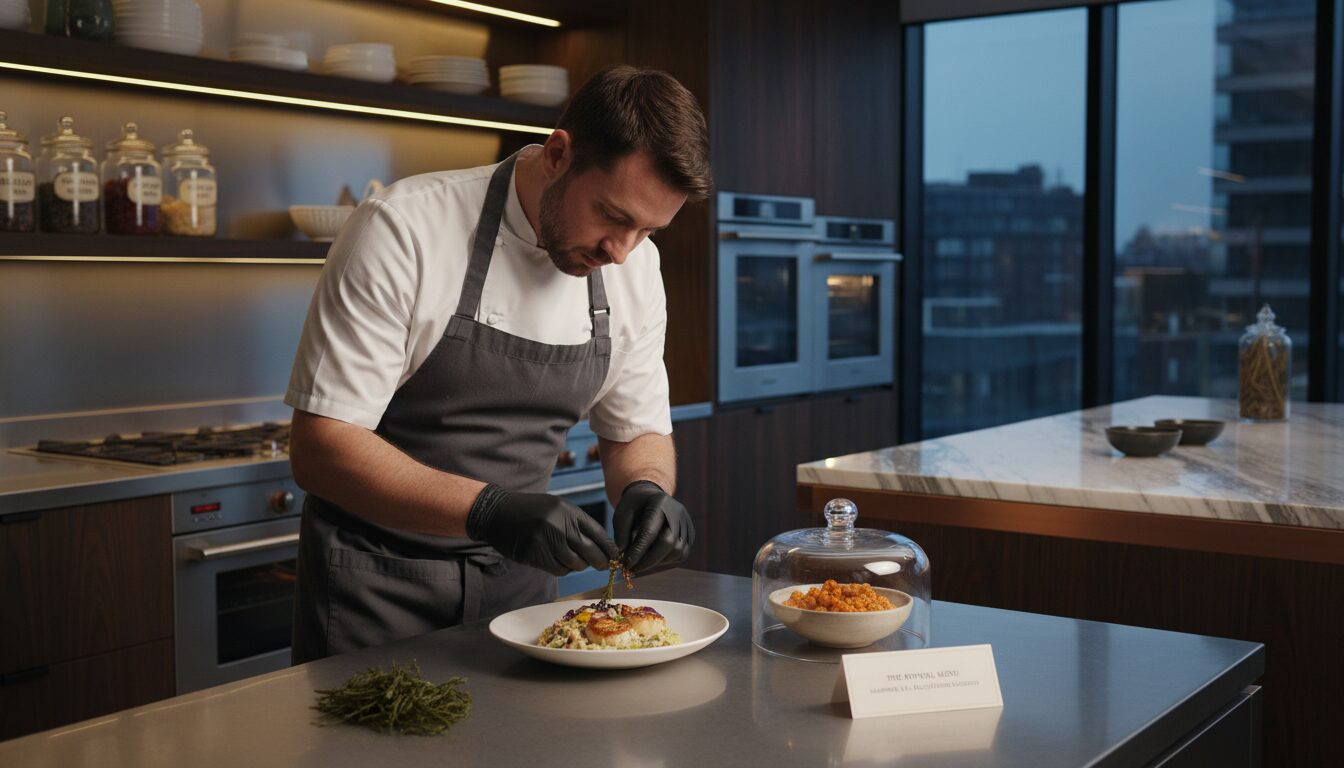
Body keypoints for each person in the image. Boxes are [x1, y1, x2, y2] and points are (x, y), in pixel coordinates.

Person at [284, 65, 712, 663]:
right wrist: (487, 509)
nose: (621, 251)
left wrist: (647, 488)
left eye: (647, 229)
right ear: (558, 154)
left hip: (523, 598)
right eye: (614, 216)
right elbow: (321, 448)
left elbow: (636, 427)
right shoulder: (405, 229)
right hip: (375, 590)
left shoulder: (634, 267)